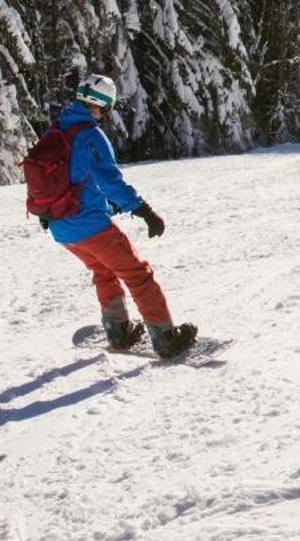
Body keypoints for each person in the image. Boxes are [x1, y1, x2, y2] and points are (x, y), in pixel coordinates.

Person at [45, 75, 197, 357]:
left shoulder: (58, 129)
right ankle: (166, 338)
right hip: (87, 224)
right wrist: (143, 210)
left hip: (60, 225)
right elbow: (110, 181)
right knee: (138, 274)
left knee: (103, 269)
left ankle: (118, 331)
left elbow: (65, 177)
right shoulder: (90, 135)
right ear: (105, 104)